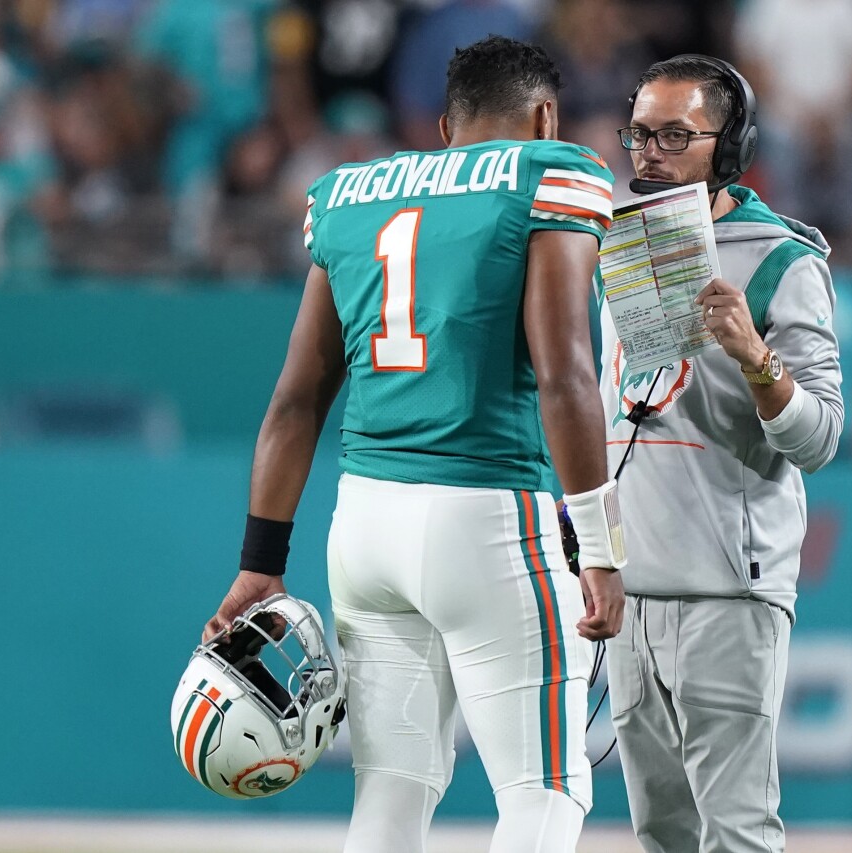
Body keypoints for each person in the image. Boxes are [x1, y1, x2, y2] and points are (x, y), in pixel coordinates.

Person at [202, 36, 626, 853]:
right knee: (547, 791)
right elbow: (566, 373)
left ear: (444, 127)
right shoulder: (551, 172)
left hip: (363, 525)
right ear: (545, 116)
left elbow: (296, 399)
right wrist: (599, 545)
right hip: (491, 513)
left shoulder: (348, 192)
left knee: (390, 797)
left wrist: (261, 560)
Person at [599, 55, 843, 853]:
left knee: (736, 833)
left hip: (728, 593)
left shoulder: (783, 260)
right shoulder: (615, 240)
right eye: (639, 133)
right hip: (633, 591)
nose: (649, 152)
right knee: (659, 834)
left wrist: (756, 359)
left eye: (675, 134)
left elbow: (820, 439)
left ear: (731, 144)